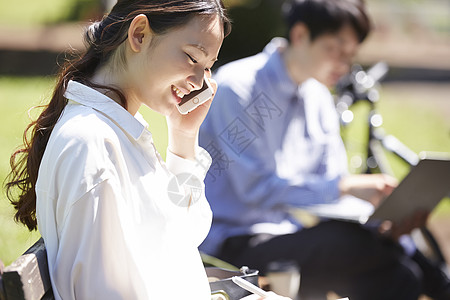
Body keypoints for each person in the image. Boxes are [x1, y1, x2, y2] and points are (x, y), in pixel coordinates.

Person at [5, 1, 290, 299]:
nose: (198, 82)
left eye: (207, 68)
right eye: (192, 57)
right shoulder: (93, 145)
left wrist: (184, 136)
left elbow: (185, 235)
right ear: (139, 34)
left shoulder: (122, 129)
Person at [198, 0, 450, 299]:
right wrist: (345, 187)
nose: (344, 66)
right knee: (353, 243)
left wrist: (376, 216)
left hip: (290, 234)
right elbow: (256, 190)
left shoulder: (317, 96)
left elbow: (331, 187)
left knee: (399, 275)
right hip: (234, 242)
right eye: (336, 51)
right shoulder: (240, 88)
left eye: (350, 56)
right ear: (301, 35)